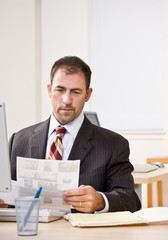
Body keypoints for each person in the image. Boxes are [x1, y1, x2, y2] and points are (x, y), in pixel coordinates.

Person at [4, 56, 141, 212]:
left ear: (87, 95)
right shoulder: (18, 140)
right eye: (60, 90)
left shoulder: (113, 145)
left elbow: (130, 200)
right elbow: (9, 196)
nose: (67, 100)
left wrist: (100, 201)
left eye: (75, 92)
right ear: (49, 90)